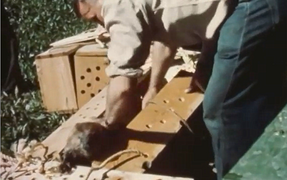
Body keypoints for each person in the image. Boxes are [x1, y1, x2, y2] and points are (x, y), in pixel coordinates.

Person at [72, 0, 287, 179]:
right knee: (261, 89)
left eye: (94, 19)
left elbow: (122, 87)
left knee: (219, 110)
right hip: (252, 7)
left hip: (250, 8)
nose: (101, 26)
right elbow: (167, 35)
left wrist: (109, 125)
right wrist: (155, 86)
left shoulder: (116, 6)